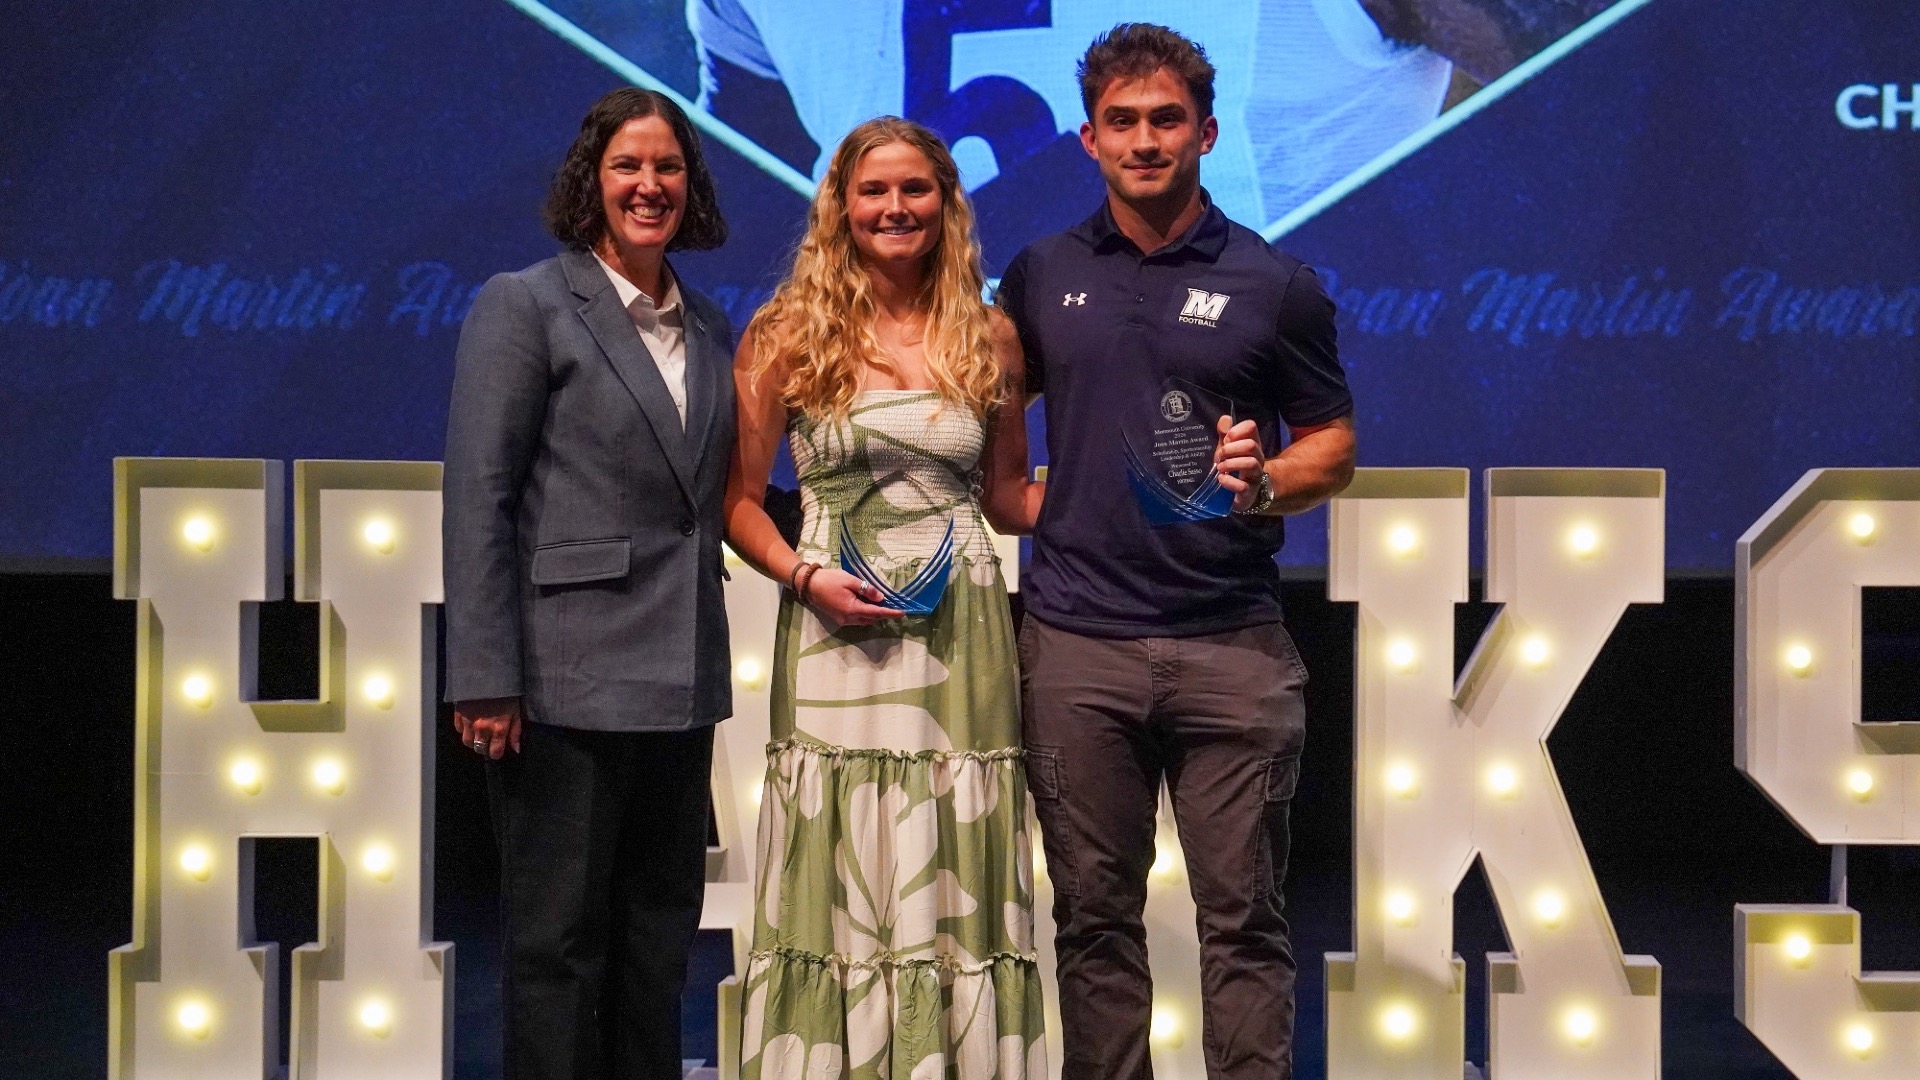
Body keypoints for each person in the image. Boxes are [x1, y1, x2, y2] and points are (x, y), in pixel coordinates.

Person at [995, 24, 1356, 1080]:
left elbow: (1332, 439)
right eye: (1122, 122)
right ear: (1088, 138)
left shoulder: (1275, 281)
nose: (1144, 140)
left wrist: (1270, 479)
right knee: (1094, 922)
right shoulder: (1040, 272)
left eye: (1164, 121)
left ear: (1204, 131)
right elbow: (989, 432)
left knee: (1242, 923)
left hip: (1231, 646)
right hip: (1075, 647)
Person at [723, 116, 1047, 1079]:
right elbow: (737, 503)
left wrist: (1149, 490)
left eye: (916, 190)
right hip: (831, 628)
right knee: (840, 858)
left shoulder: (989, 334)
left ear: (947, 206)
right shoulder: (786, 330)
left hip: (962, 637)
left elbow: (1006, 497)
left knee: (954, 855)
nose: (895, 208)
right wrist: (803, 576)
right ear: (842, 207)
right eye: (875, 191)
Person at [441, 86, 736, 1080]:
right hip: (563, 686)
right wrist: (483, 674)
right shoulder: (524, 305)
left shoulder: (709, 324)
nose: (649, 185)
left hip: (678, 683)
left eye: (667, 167)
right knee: (557, 951)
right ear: (591, 179)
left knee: (659, 948)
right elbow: (479, 497)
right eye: (628, 166)